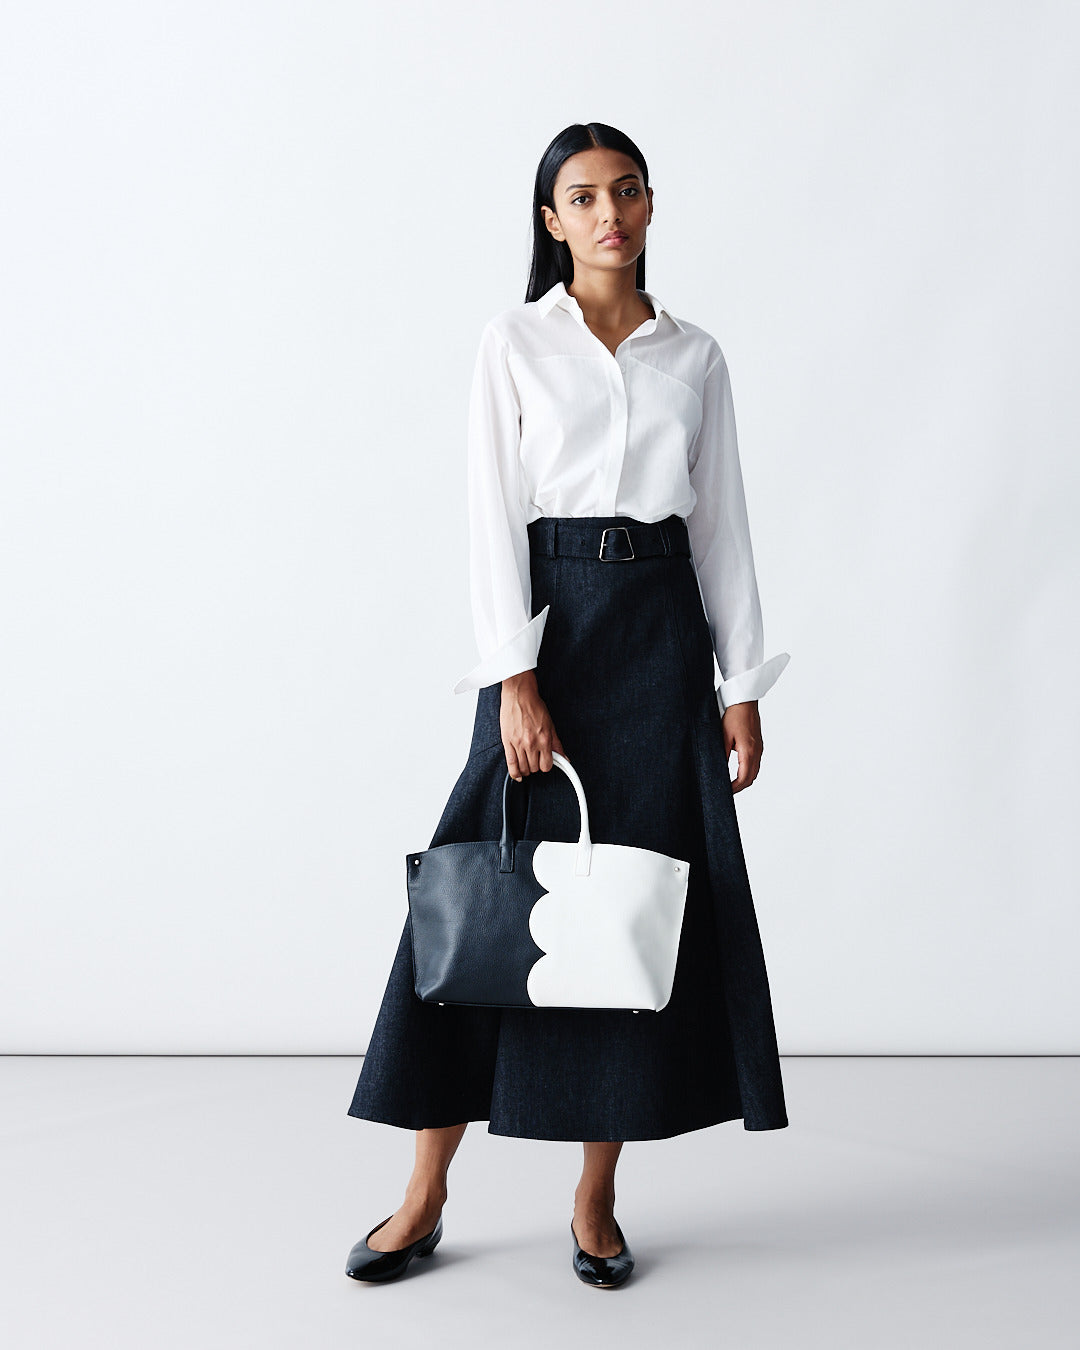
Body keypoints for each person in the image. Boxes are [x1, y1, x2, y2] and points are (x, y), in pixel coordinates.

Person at [344, 121, 791, 1289]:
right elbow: (488, 514)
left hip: (658, 647)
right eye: (583, 197)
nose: (609, 215)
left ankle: (595, 1198)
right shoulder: (514, 343)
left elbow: (722, 527)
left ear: (651, 207)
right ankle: (425, 1188)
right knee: (479, 897)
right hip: (554, 630)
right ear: (551, 219)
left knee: (626, 917)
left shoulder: (695, 357)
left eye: (627, 192)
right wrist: (513, 677)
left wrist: (739, 686)